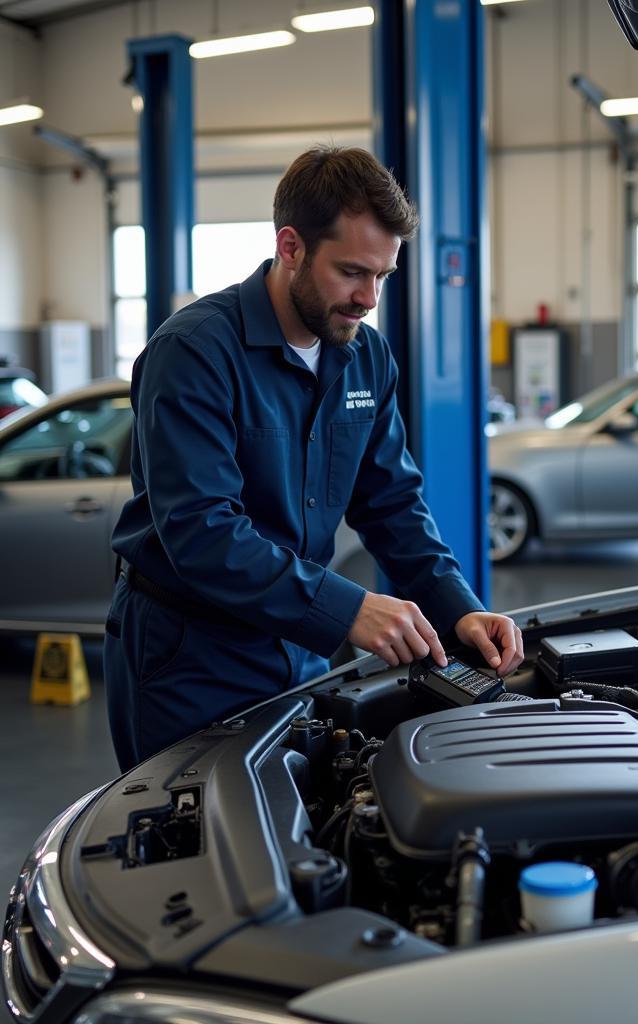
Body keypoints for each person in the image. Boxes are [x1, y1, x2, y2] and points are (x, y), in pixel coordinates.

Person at [104, 146, 523, 772]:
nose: (369, 298)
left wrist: (458, 607)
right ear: (291, 247)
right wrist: (348, 608)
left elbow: (392, 503)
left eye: (383, 275)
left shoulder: (366, 356)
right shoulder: (193, 352)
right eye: (352, 272)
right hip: (189, 658)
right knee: (194, 847)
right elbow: (201, 530)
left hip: (301, 648)